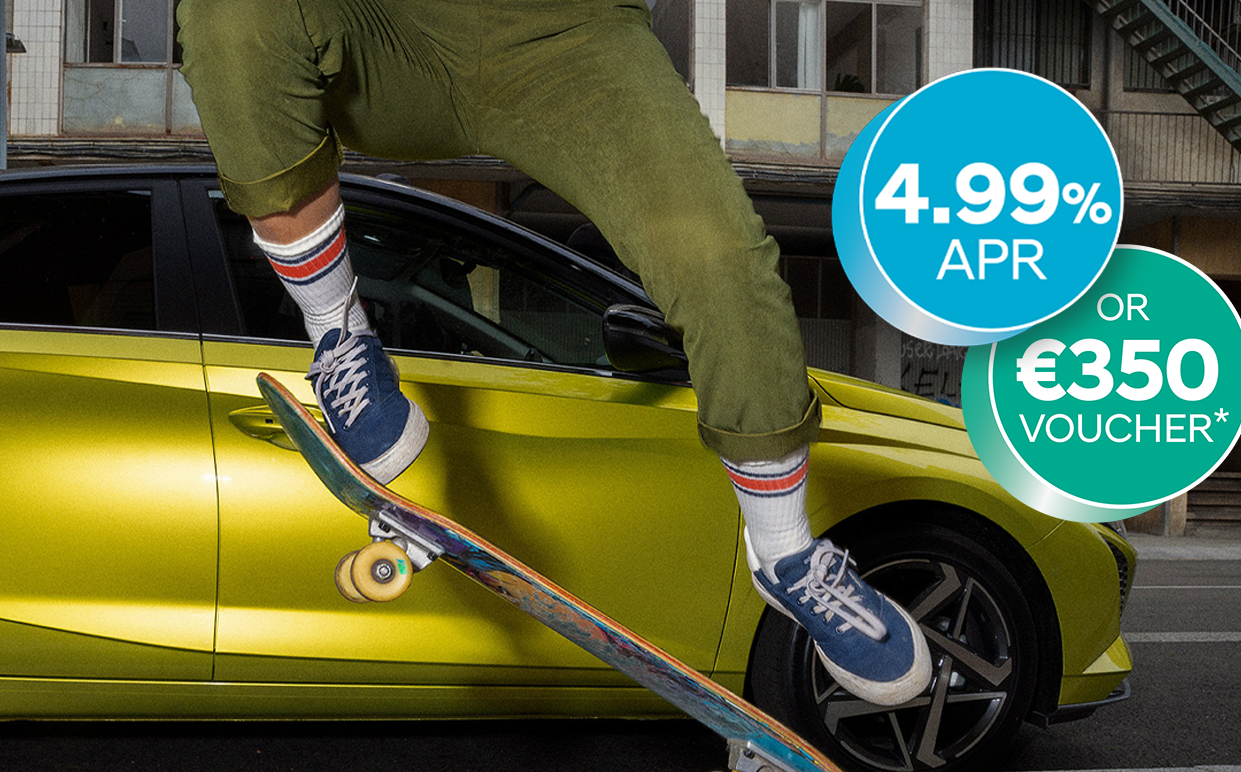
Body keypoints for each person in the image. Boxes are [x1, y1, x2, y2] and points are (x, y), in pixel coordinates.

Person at [176, 0, 931, 706]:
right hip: (387, 31)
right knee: (230, 14)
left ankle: (786, 554)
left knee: (721, 263)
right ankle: (339, 331)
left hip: (569, 39)